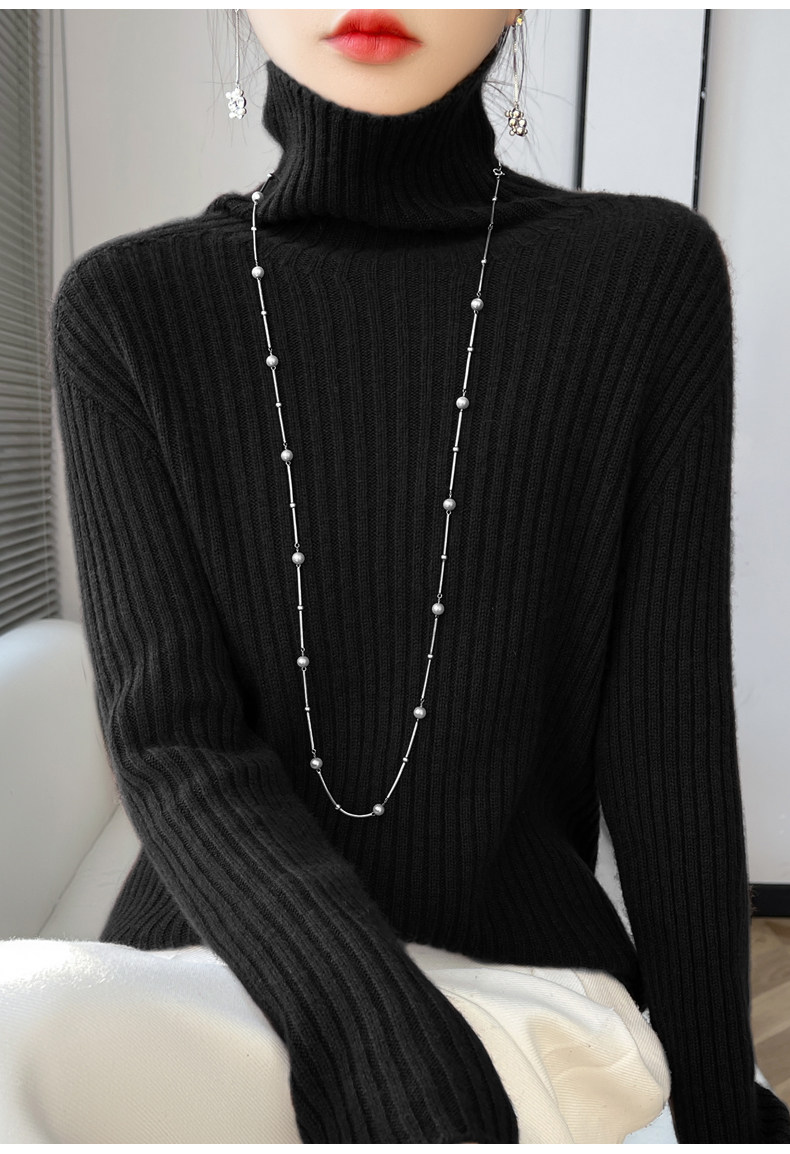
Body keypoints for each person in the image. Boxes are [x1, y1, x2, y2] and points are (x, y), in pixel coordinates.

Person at [1, 7, 788, 1145]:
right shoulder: (125, 311)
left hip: (526, 996)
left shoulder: (644, 281)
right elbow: (171, 742)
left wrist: (720, 1115)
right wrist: (374, 1030)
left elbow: (669, 752)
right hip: (214, 970)